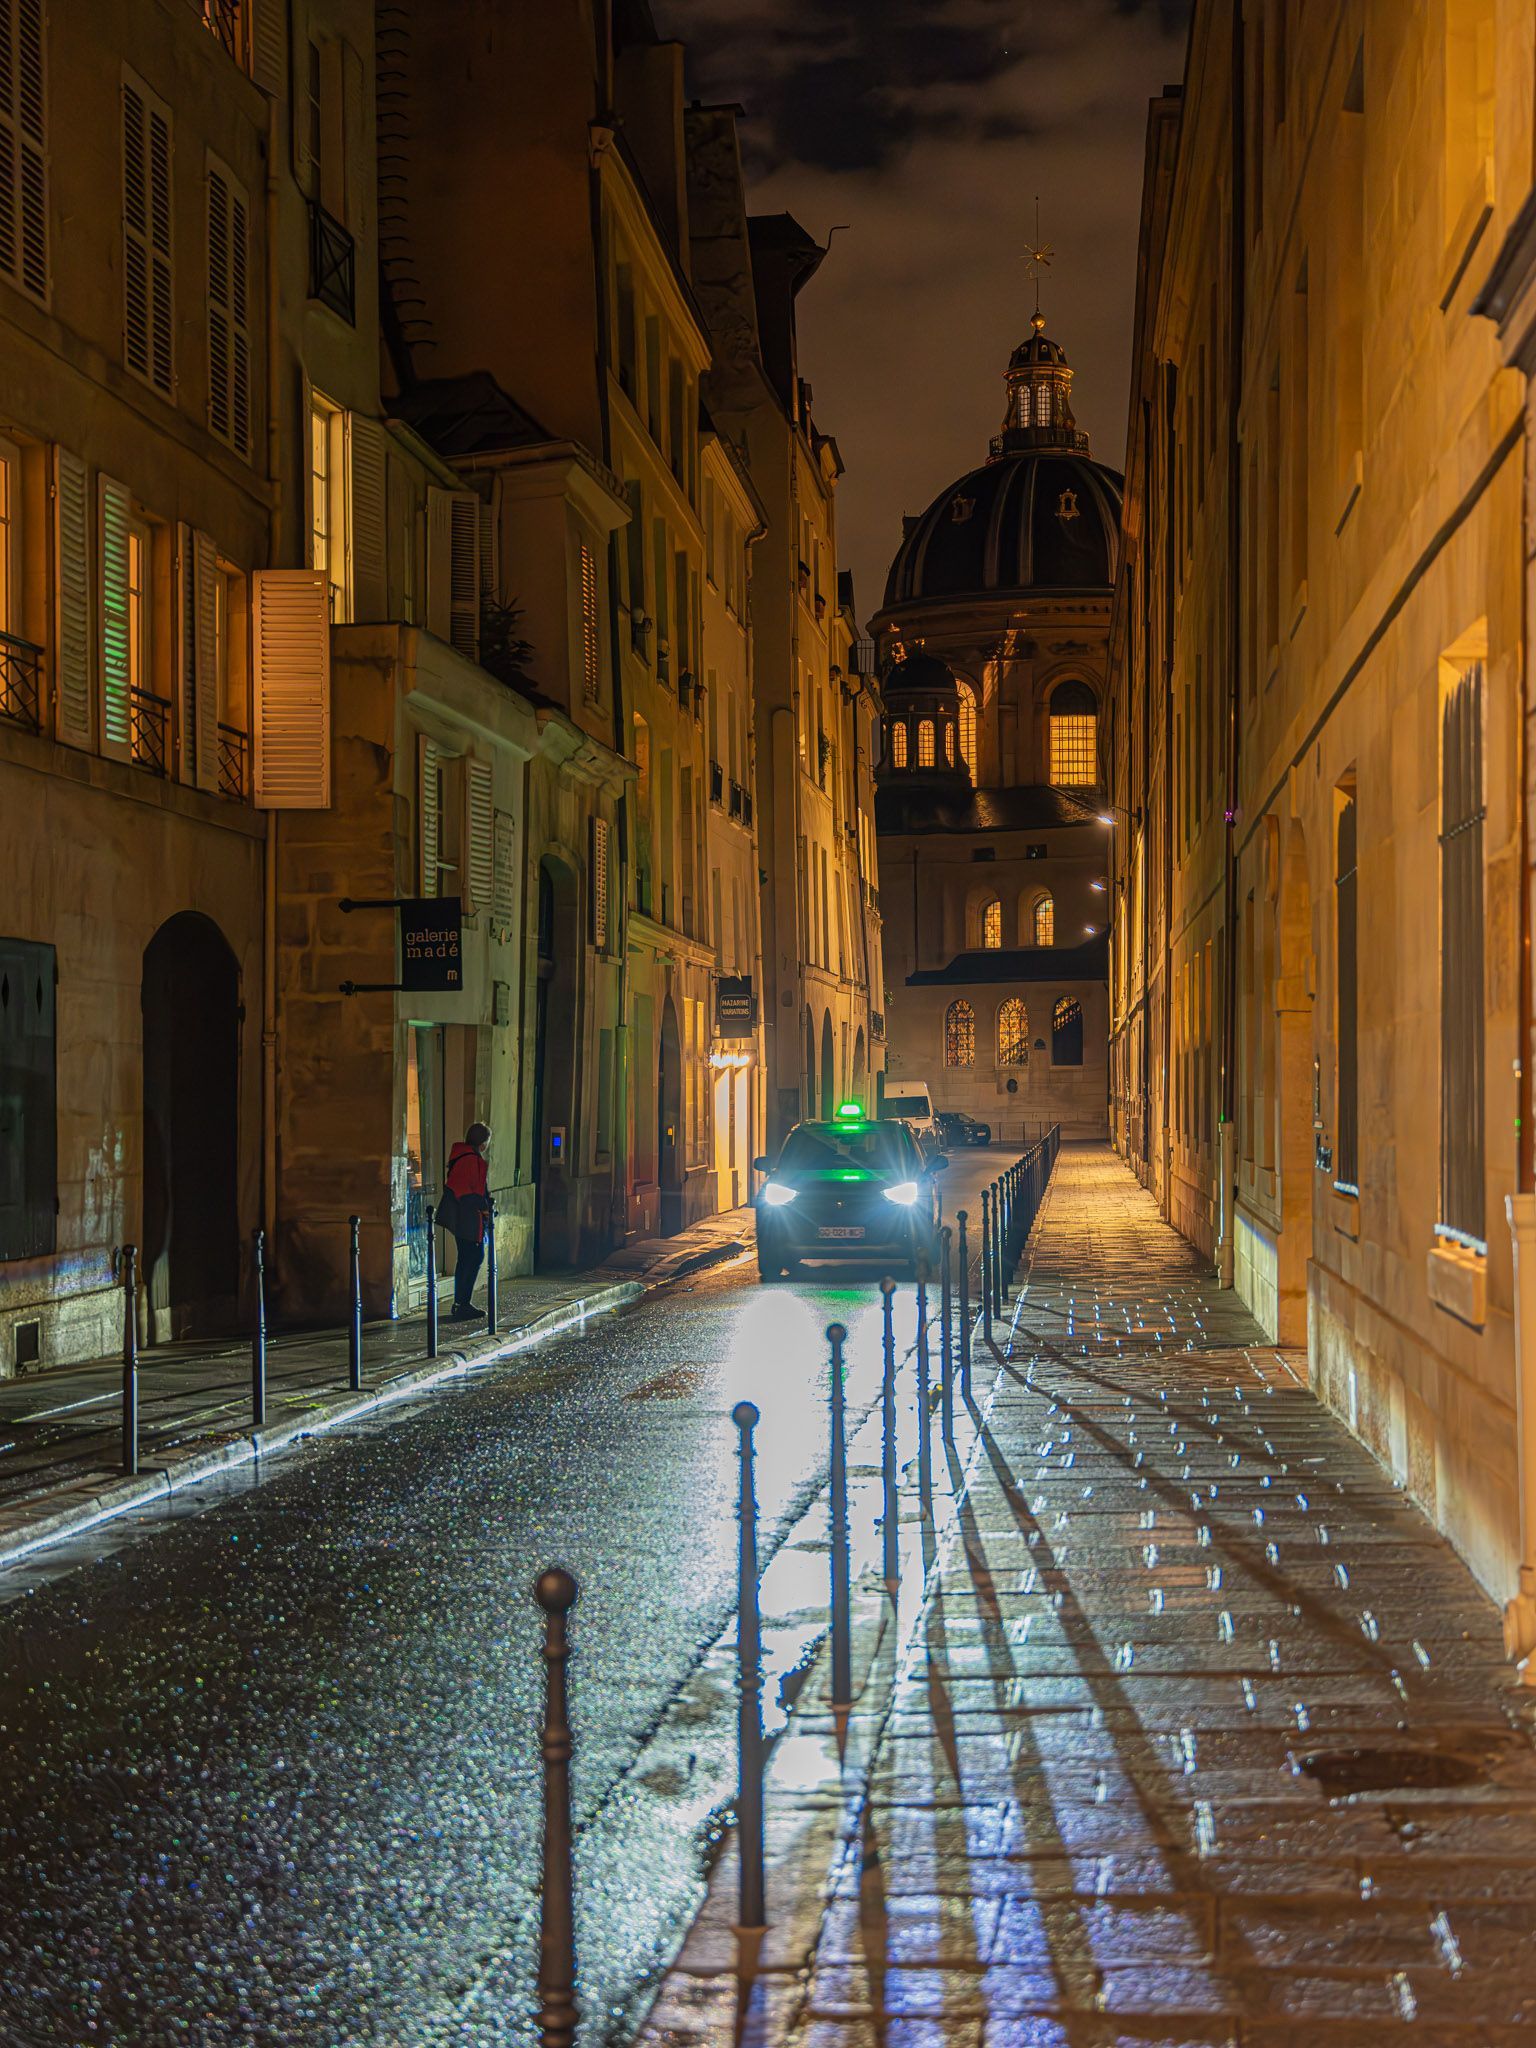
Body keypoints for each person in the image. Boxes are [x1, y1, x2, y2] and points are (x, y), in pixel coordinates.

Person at [444, 1122, 492, 1321]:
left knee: (467, 1258)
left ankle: (461, 1303)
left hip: (465, 1215)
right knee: (473, 1257)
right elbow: (467, 1190)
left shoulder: (464, 1156)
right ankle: (462, 1304)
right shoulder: (470, 1160)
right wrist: (484, 1206)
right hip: (469, 1217)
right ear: (483, 1143)